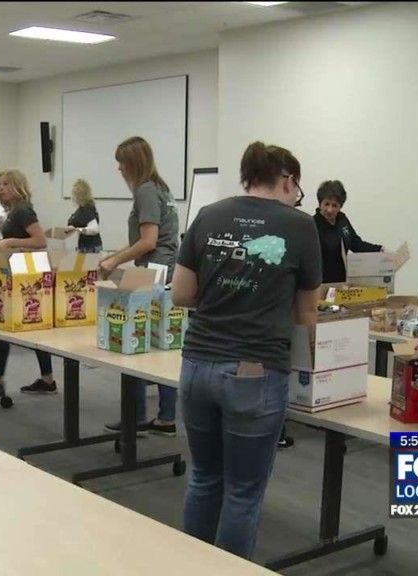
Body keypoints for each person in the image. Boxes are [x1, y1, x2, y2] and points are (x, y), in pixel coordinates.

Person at [171, 141, 320, 559]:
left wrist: (225, 295)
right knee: (243, 492)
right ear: (288, 180)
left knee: (204, 477)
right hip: (255, 372)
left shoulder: (208, 215)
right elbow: (306, 313)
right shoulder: (300, 226)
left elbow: (181, 293)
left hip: (197, 365)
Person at [99, 136, 179, 436]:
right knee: (163, 343)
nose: (119, 168)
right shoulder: (161, 188)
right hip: (167, 272)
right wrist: (115, 255)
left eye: (122, 162)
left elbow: (148, 242)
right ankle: (166, 417)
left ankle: (136, 416)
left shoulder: (145, 190)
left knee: (136, 341)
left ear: (133, 162)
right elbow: (144, 241)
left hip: (154, 274)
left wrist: (113, 262)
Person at [0, 169, 58, 395]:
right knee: (11, 324)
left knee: (19, 324)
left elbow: (40, 240)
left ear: (17, 185)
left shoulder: (23, 210)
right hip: (18, 272)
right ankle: (40, 379)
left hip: (27, 275)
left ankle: (3, 378)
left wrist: (9, 241)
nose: (1, 188)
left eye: (6, 184)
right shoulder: (13, 211)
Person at [313, 180, 382, 283]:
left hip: (342, 281)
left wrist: (379, 249)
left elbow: (356, 244)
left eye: (334, 205)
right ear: (320, 204)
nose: (330, 210)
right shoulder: (312, 224)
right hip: (320, 283)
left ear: (340, 206)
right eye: (326, 204)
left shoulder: (342, 220)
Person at [65, 178, 103, 253]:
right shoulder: (85, 208)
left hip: (89, 249)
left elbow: (94, 229)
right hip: (86, 247)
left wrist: (77, 230)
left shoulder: (86, 210)